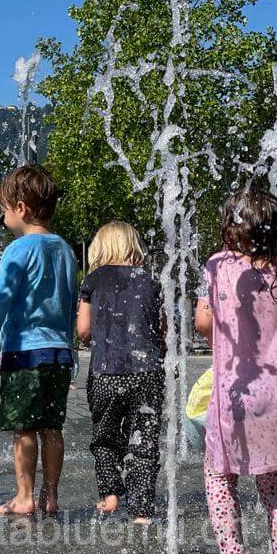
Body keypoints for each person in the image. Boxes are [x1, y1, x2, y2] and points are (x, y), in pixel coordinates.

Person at [194, 187, 277, 554]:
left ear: (232, 227)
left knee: (218, 475)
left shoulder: (218, 267)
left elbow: (203, 323)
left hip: (236, 395)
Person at [0, 165, 78, 516]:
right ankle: (51, 496)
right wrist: (71, 352)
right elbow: (68, 304)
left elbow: (0, 299)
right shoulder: (65, 250)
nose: (3, 216)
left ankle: (24, 496)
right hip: (59, 353)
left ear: (21, 208)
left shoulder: (18, 250)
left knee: (24, 428)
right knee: (52, 427)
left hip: (26, 353)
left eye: (4, 208)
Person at [76, 222, 164, 525]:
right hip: (147, 372)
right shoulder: (150, 282)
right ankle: (141, 510)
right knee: (145, 441)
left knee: (104, 436)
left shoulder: (93, 280)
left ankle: (110, 494)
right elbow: (159, 328)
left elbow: (84, 330)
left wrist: (95, 338)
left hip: (106, 371)